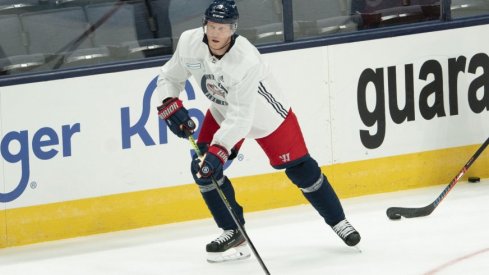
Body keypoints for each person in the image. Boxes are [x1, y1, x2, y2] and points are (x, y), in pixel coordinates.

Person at [156, 0, 361, 263]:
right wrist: (168, 102)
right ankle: (234, 232)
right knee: (203, 170)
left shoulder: (246, 60)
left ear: (234, 29)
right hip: (223, 112)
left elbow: (243, 117)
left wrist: (220, 149)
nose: (217, 33)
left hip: (268, 118)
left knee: (302, 171)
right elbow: (169, 77)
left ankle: (338, 221)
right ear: (204, 25)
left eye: (224, 27)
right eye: (212, 26)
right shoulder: (189, 42)